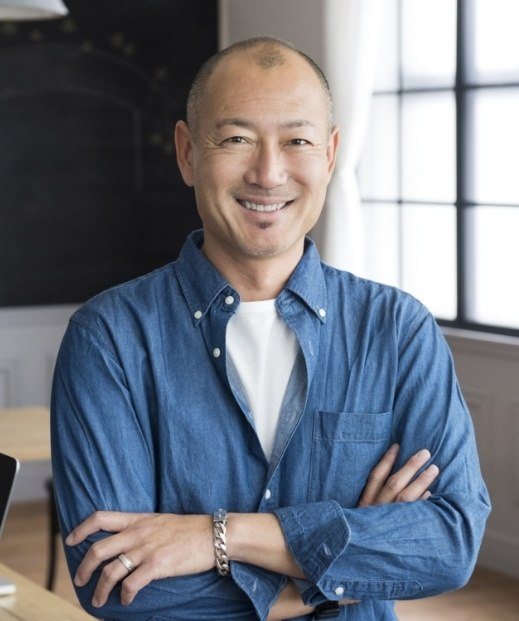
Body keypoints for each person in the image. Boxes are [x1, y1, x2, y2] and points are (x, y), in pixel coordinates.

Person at [51, 37, 490, 621]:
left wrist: (216, 537)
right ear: (187, 153)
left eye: (297, 141)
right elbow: (117, 586)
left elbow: (450, 543)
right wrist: (341, 569)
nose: (268, 171)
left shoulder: (398, 330)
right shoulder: (107, 338)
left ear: (330, 155)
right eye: (236, 139)